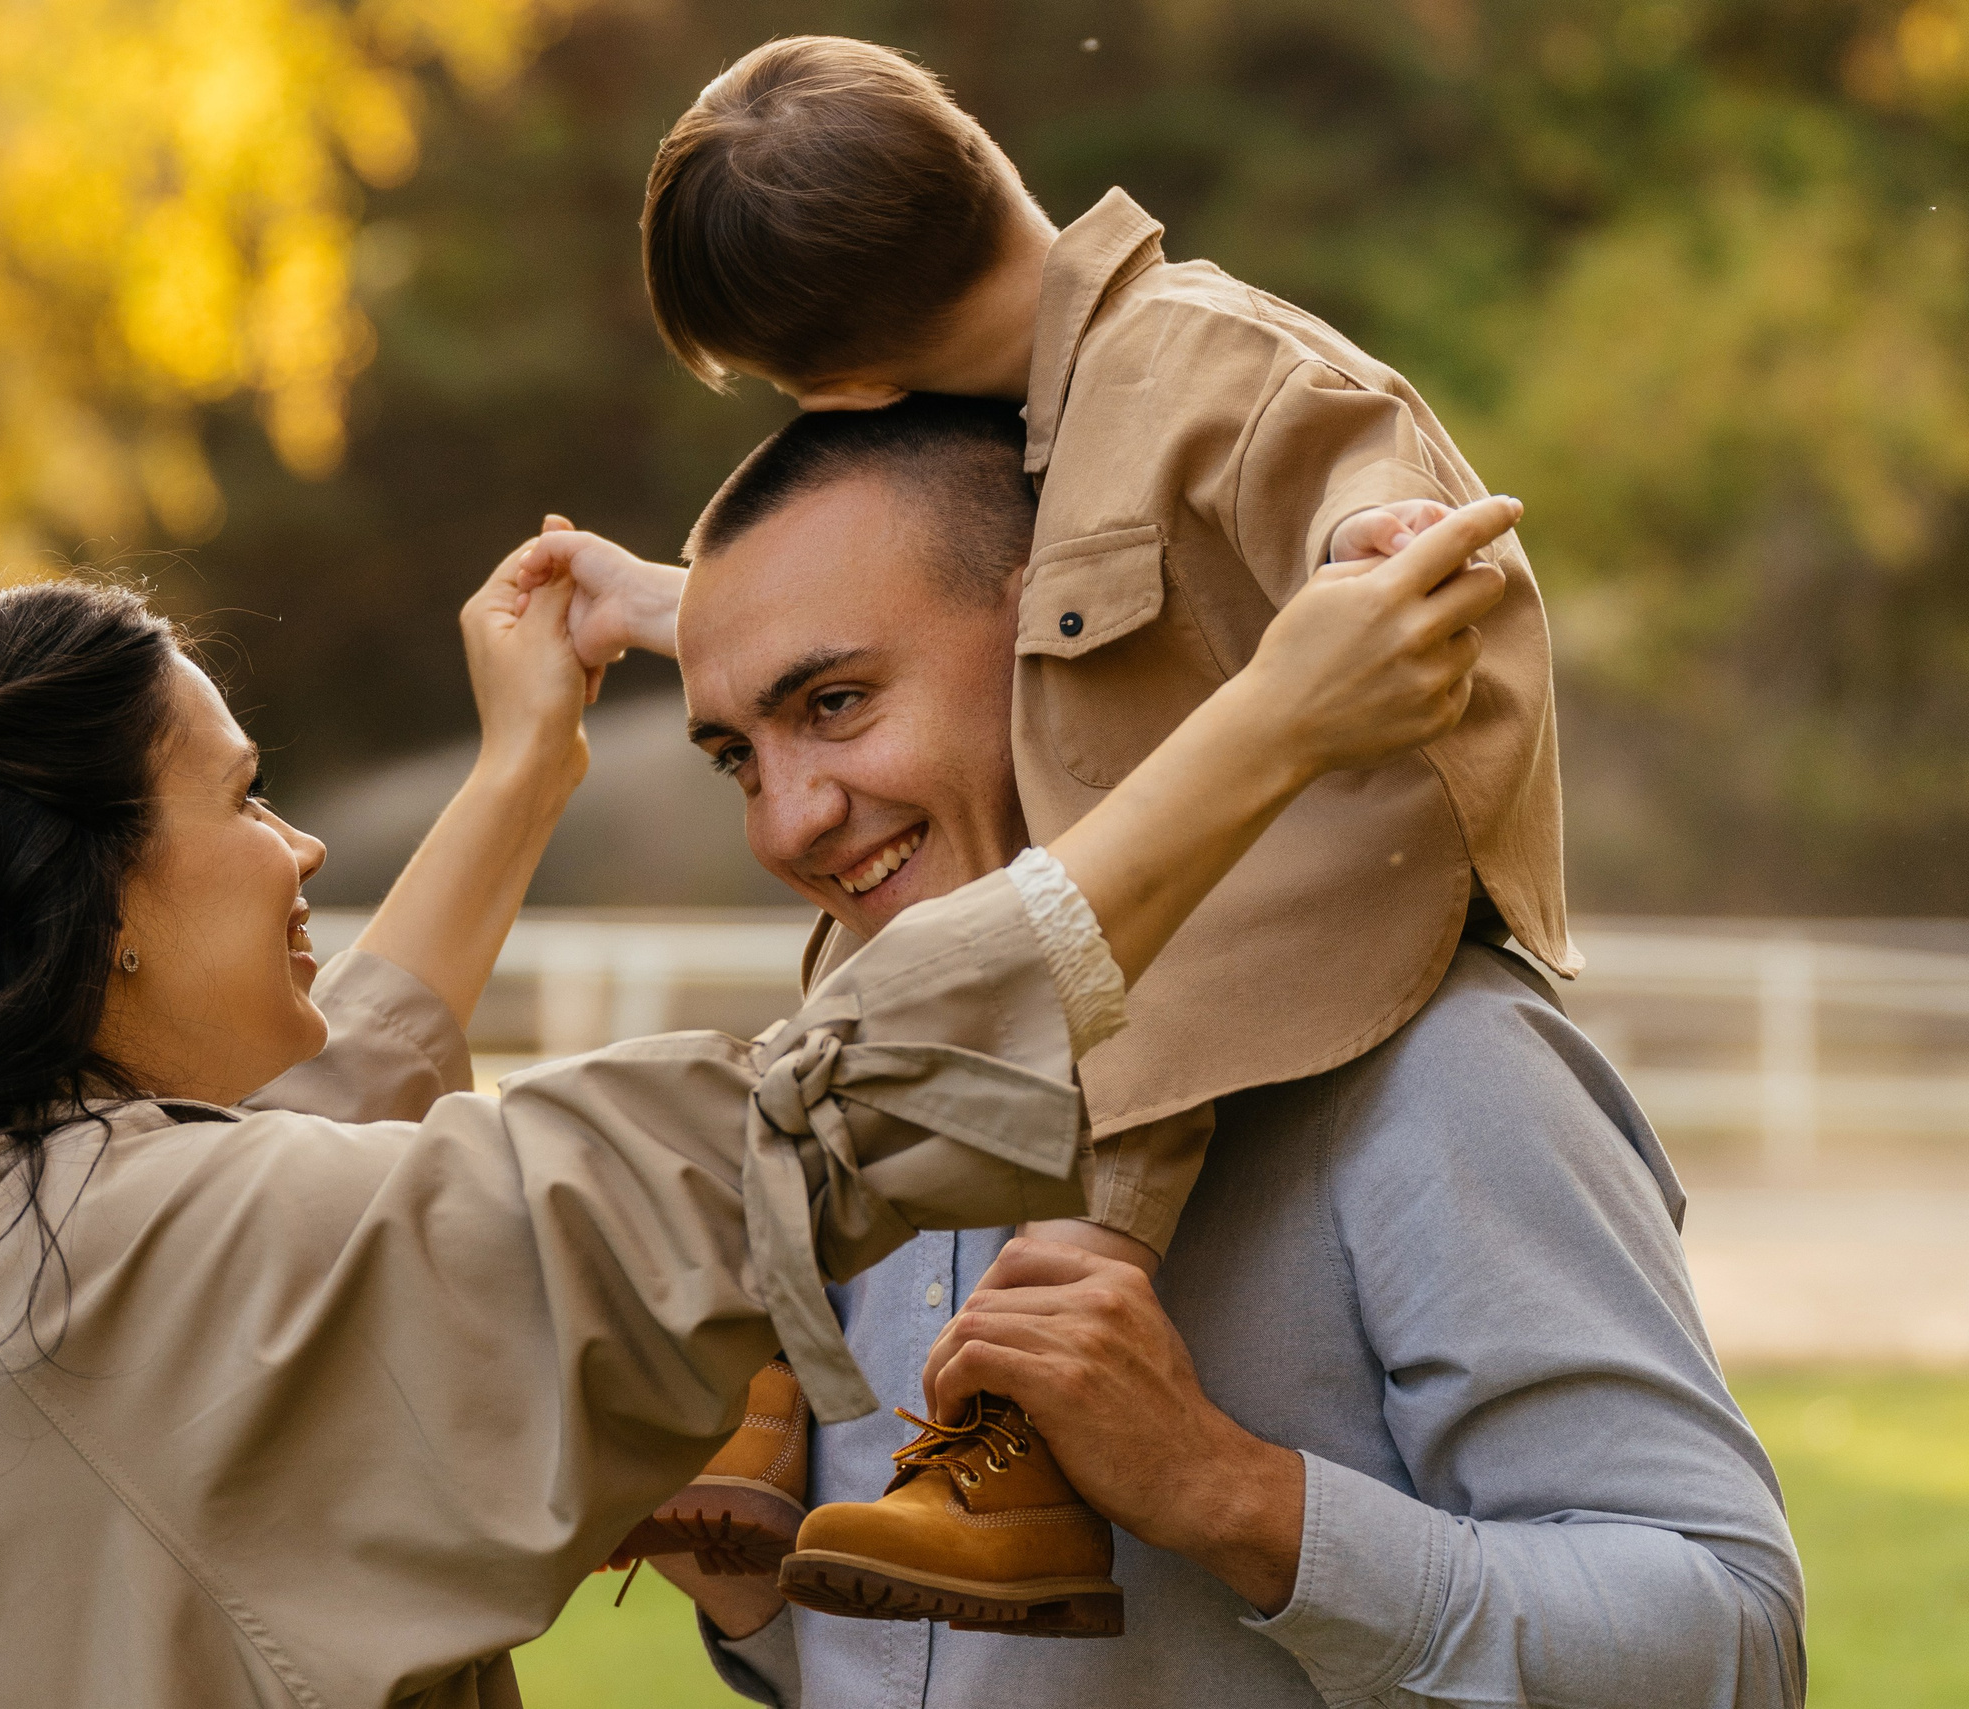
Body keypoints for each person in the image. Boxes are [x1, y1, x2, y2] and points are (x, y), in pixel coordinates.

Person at [0, 505, 1504, 1709]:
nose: (300, 844)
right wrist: (1273, 727)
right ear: (93, 901)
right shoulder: (113, 1272)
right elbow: (766, 1142)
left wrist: (523, 768)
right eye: (245, 797)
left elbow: (332, 1117)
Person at [527, 400, 1803, 1706]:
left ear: (1060, 653)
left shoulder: (1438, 1062)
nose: (789, 822)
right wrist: (753, 1583)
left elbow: (1736, 1644)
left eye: (838, 702)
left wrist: (1223, 1489)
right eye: (740, 756)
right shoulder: (862, 1109)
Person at [532, 29, 1572, 1617]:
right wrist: (668, 602)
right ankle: (757, 1380)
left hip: (1325, 849)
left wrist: (1369, 538)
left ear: (842, 387)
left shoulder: (1213, 360)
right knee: (878, 984)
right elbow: (934, 631)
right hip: (1182, 862)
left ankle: (1018, 1438)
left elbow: (1358, 488)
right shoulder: (1028, 429)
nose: (791, 793)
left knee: (1103, 1004)